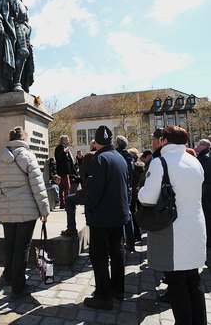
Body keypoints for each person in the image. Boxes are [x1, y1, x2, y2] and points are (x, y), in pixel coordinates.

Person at [138, 125, 207, 324]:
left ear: (165, 141)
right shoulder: (194, 161)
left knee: (177, 284)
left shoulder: (160, 162)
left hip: (173, 230)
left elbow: (149, 198)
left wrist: (140, 192)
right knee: (194, 281)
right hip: (196, 227)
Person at [0, 126, 49, 299]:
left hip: (6, 209)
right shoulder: (28, 156)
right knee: (22, 247)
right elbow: (38, 186)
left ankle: (8, 276)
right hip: (27, 209)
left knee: (9, 244)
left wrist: (5, 195)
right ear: (24, 139)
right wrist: (44, 209)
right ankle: (18, 286)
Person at [83, 126, 129, 311]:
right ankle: (118, 290)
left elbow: (94, 192)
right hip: (118, 214)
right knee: (117, 252)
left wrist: (89, 209)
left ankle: (104, 295)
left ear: (96, 141)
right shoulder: (120, 157)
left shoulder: (99, 159)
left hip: (101, 217)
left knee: (99, 255)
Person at [61, 139, 96, 237]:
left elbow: (82, 173)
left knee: (69, 199)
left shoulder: (90, 155)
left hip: (90, 191)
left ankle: (71, 229)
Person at [114, 135, 135, 252]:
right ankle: (130, 243)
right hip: (128, 189)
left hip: (120, 190)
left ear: (117, 144)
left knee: (121, 217)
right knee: (128, 216)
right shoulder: (129, 157)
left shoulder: (118, 156)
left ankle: (121, 243)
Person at [195, 139, 211, 248]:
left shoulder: (205, 158)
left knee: (208, 216)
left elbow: (201, 176)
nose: (197, 146)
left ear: (204, 146)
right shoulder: (203, 157)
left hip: (207, 192)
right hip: (206, 191)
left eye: (199, 144)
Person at [54, 135, 78, 209]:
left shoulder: (66, 148)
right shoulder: (59, 148)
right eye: (67, 139)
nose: (69, 140)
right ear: (63, 140)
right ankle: (66, 204)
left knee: (63, 188)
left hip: (67, 171)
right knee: (66, 187)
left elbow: (70, 161)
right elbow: (58, 158)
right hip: (62, 171)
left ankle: (63, 204)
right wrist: (64, 152)